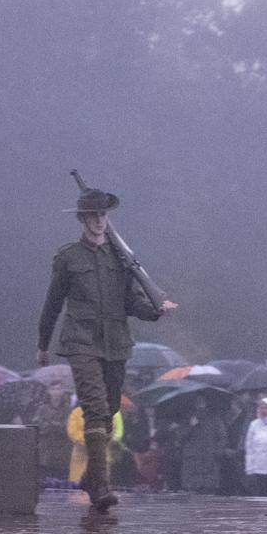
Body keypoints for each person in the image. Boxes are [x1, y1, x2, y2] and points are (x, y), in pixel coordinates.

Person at [37, 187, 176, 511]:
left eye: (103, 215)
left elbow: (132, 301)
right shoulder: (69, 257)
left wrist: (157, 309)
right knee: (95, 410)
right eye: (93, 215)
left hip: (115, 343)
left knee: (109, 411)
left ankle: (90, 477)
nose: (99, 221)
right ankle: (100, 486)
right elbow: (52, 304)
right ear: (83, 219)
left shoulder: (120, 258)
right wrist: (43, 344)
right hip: (81, 341)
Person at [179, 396, 228, 494]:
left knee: (208, 491)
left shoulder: (215, 419)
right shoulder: (187, 418)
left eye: (202, 402)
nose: (200, 405)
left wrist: (217, 453)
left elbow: (223, 437)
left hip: (209, 462)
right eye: (197, 402)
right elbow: (180, 437)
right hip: (192, 463)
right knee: (193, 492)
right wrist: (190, 426)